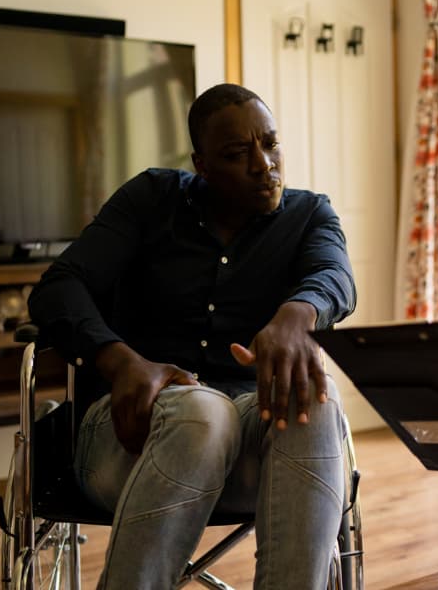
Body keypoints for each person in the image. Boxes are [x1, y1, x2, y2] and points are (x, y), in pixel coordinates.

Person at [28, 83, 356, 589]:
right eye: (236, 154)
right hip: (133, 433)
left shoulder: (309, 215)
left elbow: (335, 277)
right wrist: (121, 362)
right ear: (201, 164)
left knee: (315, 400)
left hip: (252, 447)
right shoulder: (151, 199)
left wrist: (298, 314)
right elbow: (58, 287)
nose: (263, 164)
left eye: (270, 143)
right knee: (202, 411)